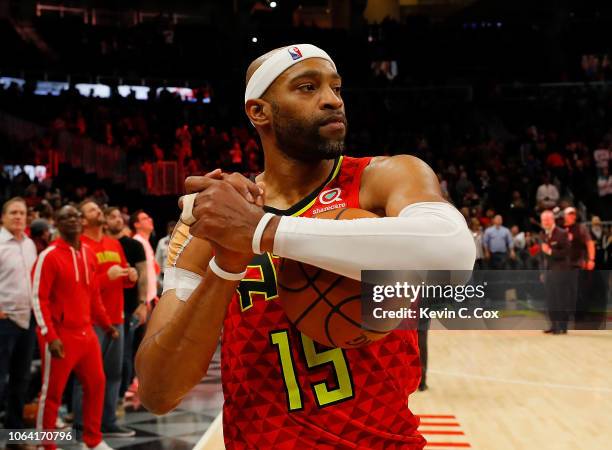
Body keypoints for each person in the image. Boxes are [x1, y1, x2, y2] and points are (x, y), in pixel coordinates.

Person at [136, 44, 475, 449]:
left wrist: (264, 231)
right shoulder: (213, 219)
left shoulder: (381, 179)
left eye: (336, 88)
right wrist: (226, 265)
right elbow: (158, 393)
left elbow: (454, 252)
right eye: (307, 87)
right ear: (258, 111)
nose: (332, 100)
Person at [31, 205, 118, 450]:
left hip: (86, 332)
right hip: (60, 334)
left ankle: (93, 440)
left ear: (81, 222)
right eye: (64, 217)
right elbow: (39, 299)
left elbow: (93, 295)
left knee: (97, 383)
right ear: (56, 224)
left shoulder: (88, 253)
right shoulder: (48, 256)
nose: (71, 220)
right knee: (52, 393)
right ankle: (44, 444)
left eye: (75, 216)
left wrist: (105, 324)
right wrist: (50, 335)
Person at [73, 200, 137, 438]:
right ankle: (81, 427)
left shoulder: (113, 244)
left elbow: (123, 279)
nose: (98, 211)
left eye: (98, 208)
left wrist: (131, 276)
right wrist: (106, 277)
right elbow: (79, 286)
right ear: (81, 219)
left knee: (114, 373)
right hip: (91, 320)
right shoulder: (80, 245)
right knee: (87, 376)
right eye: (91, 209)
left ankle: (108, 421)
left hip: (116, 317)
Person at [0, 198, 37, 446]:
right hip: (5, 318)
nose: (18, 217)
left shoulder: (30, 244)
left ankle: (13, 426)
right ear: (3, 217)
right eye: (13, 212)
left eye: (22, 213)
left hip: (28, 317)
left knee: (21, 376)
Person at [104, 207, 148, 405]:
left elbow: (142, 276)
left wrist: (142, 303)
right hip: (101, 309)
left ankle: (119, 397)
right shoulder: (101, 246)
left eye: (118, 216)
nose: (117, 219)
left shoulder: (132, 245)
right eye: (111, 217)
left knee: (124, 356)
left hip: (127, 307)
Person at [563, 206, 595, 330]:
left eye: (574, 214)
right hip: (562, 265)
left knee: (576, 291)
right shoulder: (560, 228)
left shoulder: (580, 228)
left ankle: (578, 317)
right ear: (564, 216)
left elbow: (589, 243)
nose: (572, 216)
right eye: (570, 214)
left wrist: (591, 259)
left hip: (576, 264)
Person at [540, 210, 571, 334]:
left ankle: (562, 326)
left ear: (552, 220)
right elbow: (542, 257)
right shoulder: (543, 234)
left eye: (547, 220)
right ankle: (553, 325)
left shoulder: (562, 233)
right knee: (550, 299)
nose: (545, 222)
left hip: (561, 272)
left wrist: (550, 252)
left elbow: (566, 252)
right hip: (548, 273)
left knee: (560, 300)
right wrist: (542, 272)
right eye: (543, 220)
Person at [130, 211, 158, 305]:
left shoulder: (144, 242)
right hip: (144, 302)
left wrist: (153, 296)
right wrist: (144, 302)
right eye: (145, 218)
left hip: (149, 299)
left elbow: (150, 274)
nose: (150, 219)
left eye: (149, 217)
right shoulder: (138, 242)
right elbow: (140, 275)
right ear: (136, 224)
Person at [155, 220, 176, 287]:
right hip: (165, 274)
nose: (171, 229)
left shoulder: (182, 241)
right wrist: (156, 279)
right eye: (170, 228)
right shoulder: (162, 242)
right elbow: (157, 260)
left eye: (173, 227)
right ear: (167, 229)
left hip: (177, 274)